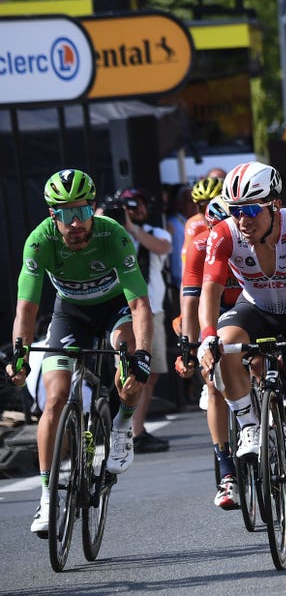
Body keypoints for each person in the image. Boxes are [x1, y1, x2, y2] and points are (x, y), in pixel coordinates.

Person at [6, 169, 155, 535]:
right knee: (54, 399)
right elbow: (25, 308)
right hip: (69, 312)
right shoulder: (39, 242)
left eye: (83, 212)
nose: (75, 223)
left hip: (115, 309)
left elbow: (139, 305)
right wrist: (20, 355)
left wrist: (144, 354)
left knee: (129, 367)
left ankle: (122, 425)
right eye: (65, 214)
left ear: (93, 209)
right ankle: (46, 499)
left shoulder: (114, 236)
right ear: (52, 215)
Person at [196, 161, 286, 524]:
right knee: (227, 345)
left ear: (274, 205)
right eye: (234, 210)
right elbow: (210, 289)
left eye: (249, 210)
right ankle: (249, 424)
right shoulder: (225, 234)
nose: (242, 219)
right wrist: (206, 337)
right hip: (255, 308)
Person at [177, 195, 245, 510]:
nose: (221, 238)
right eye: (215, 230)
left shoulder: (252, 242)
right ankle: (227, 471)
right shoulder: (201, 246)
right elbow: (191, 306)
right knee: (214, 379)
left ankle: (271, 422)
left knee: (260, 360)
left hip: (249, 304)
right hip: (216, 308)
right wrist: (188, 349)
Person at [108, 187, 175, 454]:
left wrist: (132, 228)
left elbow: (163, 248)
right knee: (127, 369)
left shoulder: (155, 232)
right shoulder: (108, 233)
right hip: (122, 311)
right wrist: (110, 221)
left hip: (152, 308)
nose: (133, 212)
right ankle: (130, 428)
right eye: (127, 207)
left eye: (137, 207)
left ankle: (137, 426)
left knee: (151, 371)